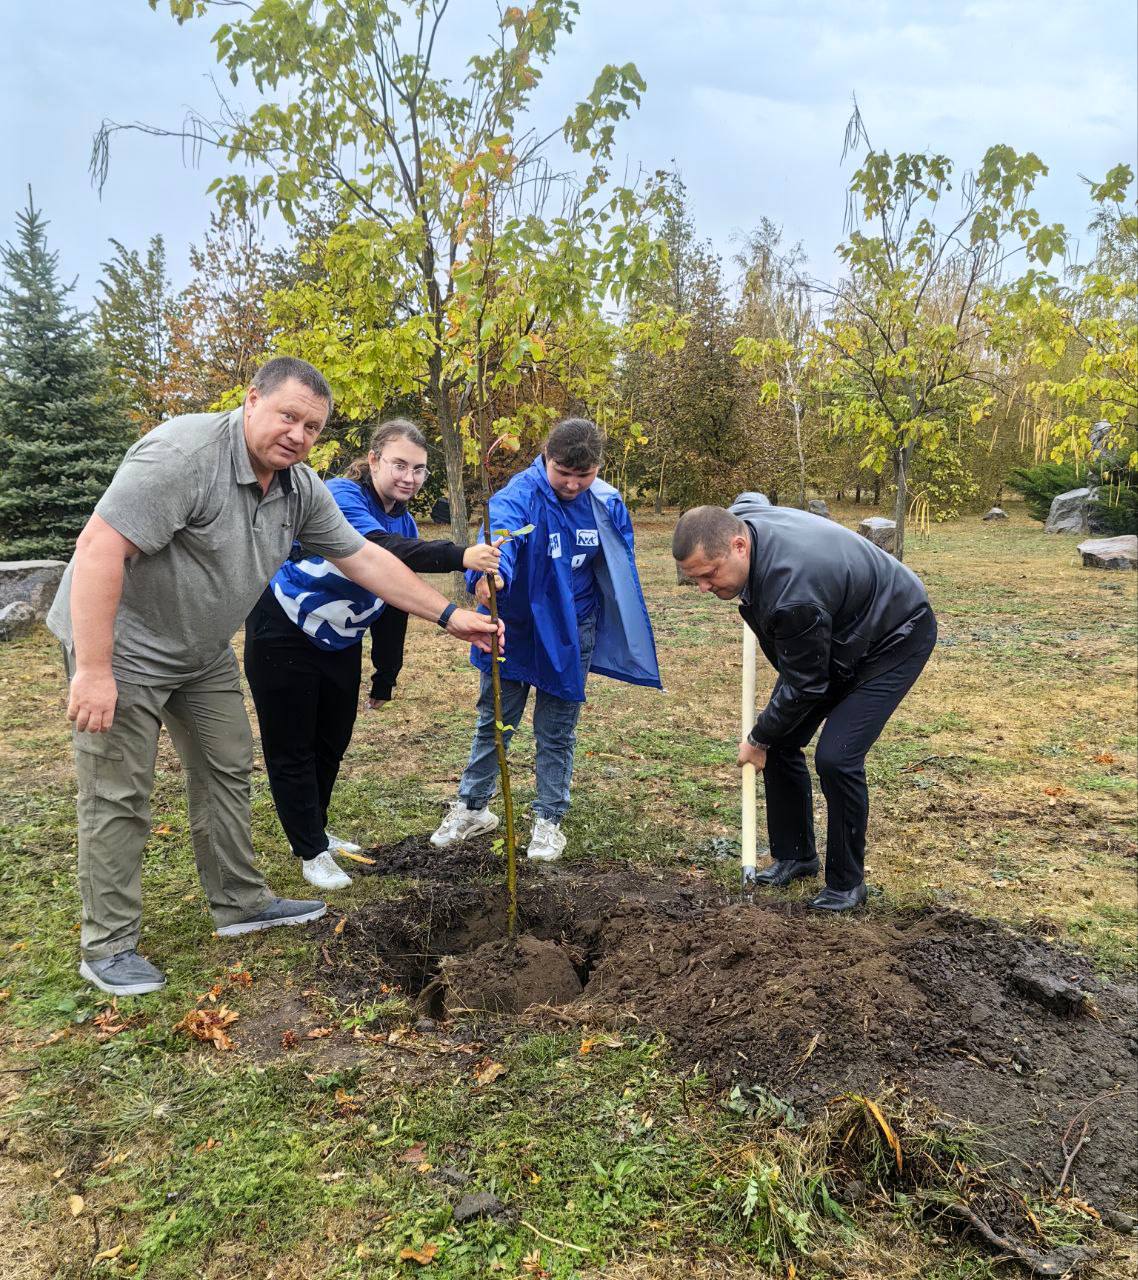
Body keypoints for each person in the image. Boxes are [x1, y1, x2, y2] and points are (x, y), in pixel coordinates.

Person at [47, 357, 502, 997]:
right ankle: (109, 945)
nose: (298, 434)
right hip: (123, 643)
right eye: (288, 415)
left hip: (200, 649)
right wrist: (94, 669)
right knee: (119, 790)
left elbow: (364, 557)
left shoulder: (298, 488)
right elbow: (98, 548)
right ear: (252, 399)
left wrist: (450, 614)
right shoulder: (182, 454)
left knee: (228, 764)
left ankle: (237, 902)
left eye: (312, 427)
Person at [244, 418, 501, 891]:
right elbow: (373, 550)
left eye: (420, 469)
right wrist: (459, 555)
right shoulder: (340, 496)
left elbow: (393, 598)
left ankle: (315, 828)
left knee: (331, 742)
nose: (409, 477)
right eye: (400, 464)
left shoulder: (402, 517)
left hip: (340, 640)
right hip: (284, 630)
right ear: (375, 459)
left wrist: (386, 675)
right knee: (293, 747)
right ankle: (310, 851)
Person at [672, 497, 936, 911]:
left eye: (709, 575)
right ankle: (796, 855)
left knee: (837, 757)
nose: (705, 588)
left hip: (894, 634)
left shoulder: (792, 594)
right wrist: (768, 737)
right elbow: (751, 498)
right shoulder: (745, 520)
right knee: (780, 740)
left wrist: (757, 737)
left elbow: (806, 685)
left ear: (739, 547)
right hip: (836, 630)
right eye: (696, 580)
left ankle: (847, 884)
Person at [430, 418, 661, 861]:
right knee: (495, 721)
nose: (573, 484)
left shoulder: (606, 503)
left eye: (584, 475)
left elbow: (617, 567)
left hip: (573, 630)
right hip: (514, 628)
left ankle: (549, 819)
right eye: (563, 473)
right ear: (545, 459)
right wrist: (488, 577)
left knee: (557, 730)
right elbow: (499, 539)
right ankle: (473, 808)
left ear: (598, 469)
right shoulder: (520, 494)